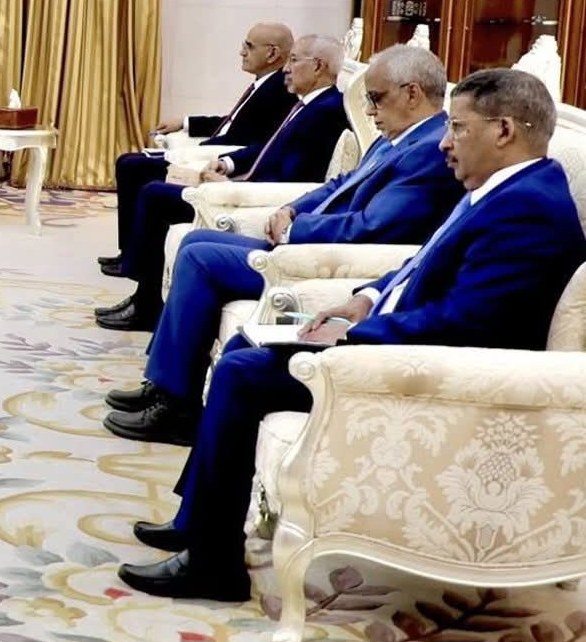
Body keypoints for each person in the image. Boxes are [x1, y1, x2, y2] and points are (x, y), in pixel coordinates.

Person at [118, 68, 586, 602]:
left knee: (243, 372)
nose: (444, 142)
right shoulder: (505, 186)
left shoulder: (528, 209)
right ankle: (197, 522)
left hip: (434, 377)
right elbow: (422, 262)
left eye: (457, 127)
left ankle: (212, 565)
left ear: (503, 130)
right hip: (402, 336)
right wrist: (364, 297)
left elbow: (468, 322)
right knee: (252, 341)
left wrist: (356, 334)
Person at [103, 45, 459, 445]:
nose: (369, 110)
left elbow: (372, 226)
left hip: (328, 260)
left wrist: (296, 229)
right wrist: (292, 208)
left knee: (201, 257)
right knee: (197, 239)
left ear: (412, 94)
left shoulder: (428, 150)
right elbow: (341, 184)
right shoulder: (399, 136)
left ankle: (176, 406)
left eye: (375, 98)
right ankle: (164, 385)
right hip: (308, 242)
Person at [98, 34, 351, 332]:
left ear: (318, 66)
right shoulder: (308, 105)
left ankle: (147, 305)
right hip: (241, 184)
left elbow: (293, 175)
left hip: (254, 200)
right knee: (153, 188)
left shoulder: (325, 112)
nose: (286, 68)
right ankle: (143, 297)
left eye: (293, 60)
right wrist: (228, 163)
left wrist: (230, 185)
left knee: (156, 196)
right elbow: (267, 149)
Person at [101, 23, 295, 276]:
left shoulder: (279, 89)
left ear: (272, 53)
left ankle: (133, 260)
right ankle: (129, 253)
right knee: (128, 161)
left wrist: (203, 156)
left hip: (214, 160)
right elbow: (232, 122)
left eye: (248, 46)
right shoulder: (265, 83)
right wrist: (186, 122)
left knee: (133, 166)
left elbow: (252, 140)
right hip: (210, 154)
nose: (241, 52)